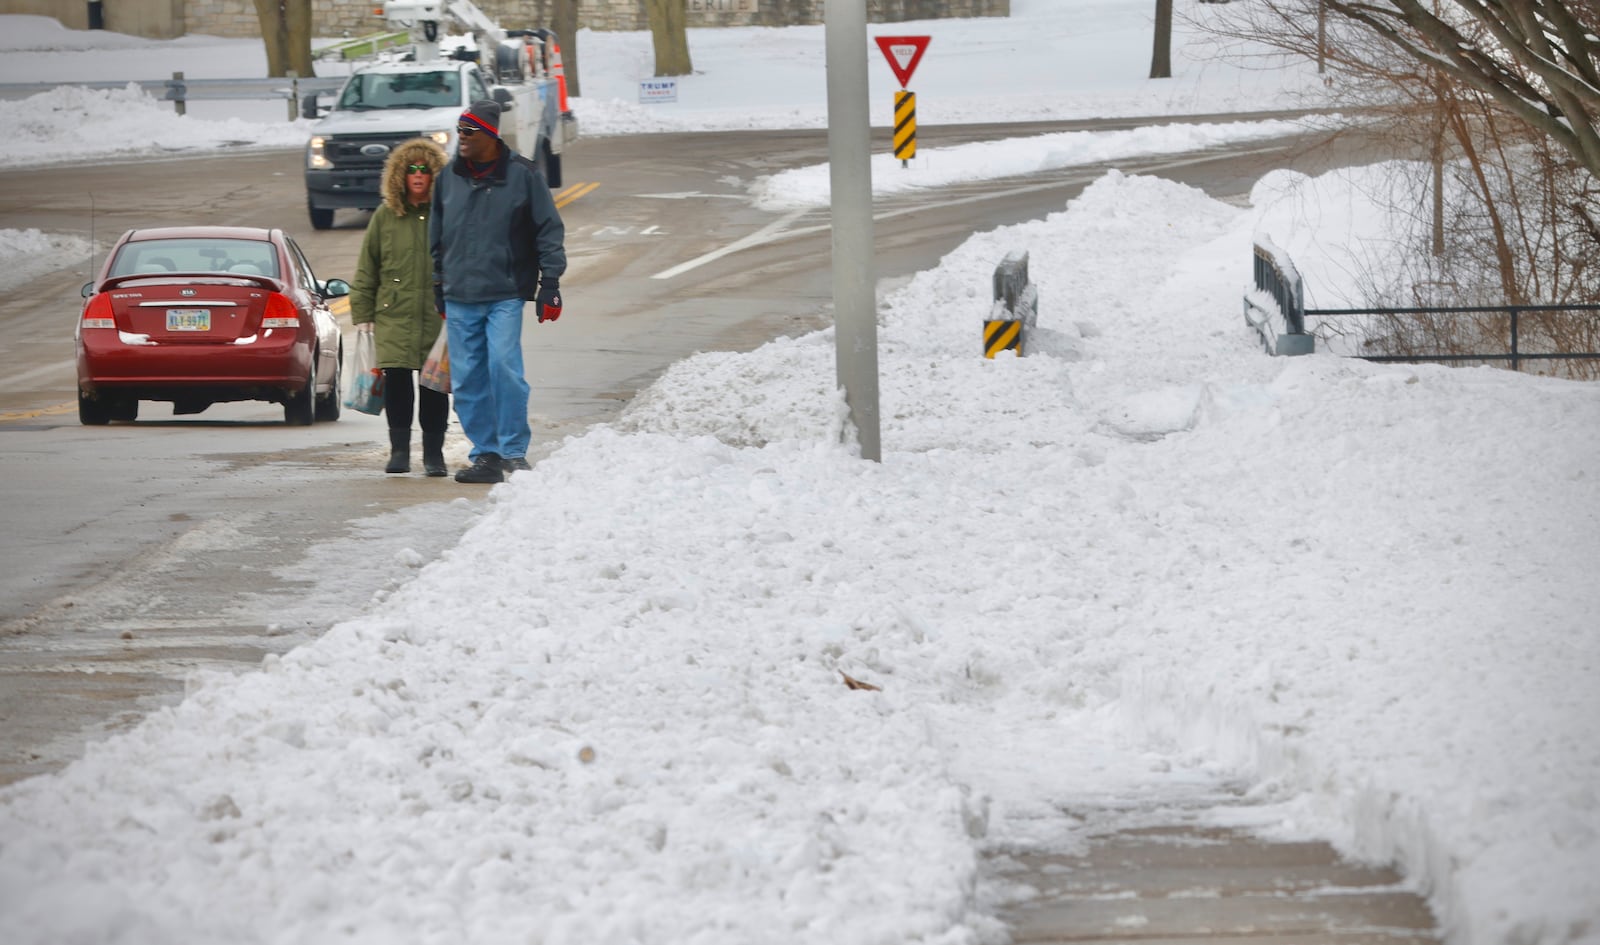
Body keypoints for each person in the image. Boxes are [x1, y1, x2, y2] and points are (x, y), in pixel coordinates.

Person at [430, 99, 567, 484]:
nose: (462, 139)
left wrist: (550, 284)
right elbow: (436, 236)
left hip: (504, 291)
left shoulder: (523, 176)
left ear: (490, 136)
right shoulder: (448, 177)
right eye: (459, 131)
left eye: (469, 132)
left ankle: (513, 452)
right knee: (468, 379)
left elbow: (548, 230)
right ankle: (486, 454)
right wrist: (438, 284)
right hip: (459, 295)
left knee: (503, 367)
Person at [350, 137, 451, 477]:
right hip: (392, 312)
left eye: (425, 169)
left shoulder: (446, 215)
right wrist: (362, 313)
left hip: (435, 313)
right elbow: (368, 266)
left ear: (435, 174)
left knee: (433, 386)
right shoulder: (385, 216)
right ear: (400, 176)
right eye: (412, 170)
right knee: (397, 382)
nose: (418, 175)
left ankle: (434, 455)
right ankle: (399, 452)